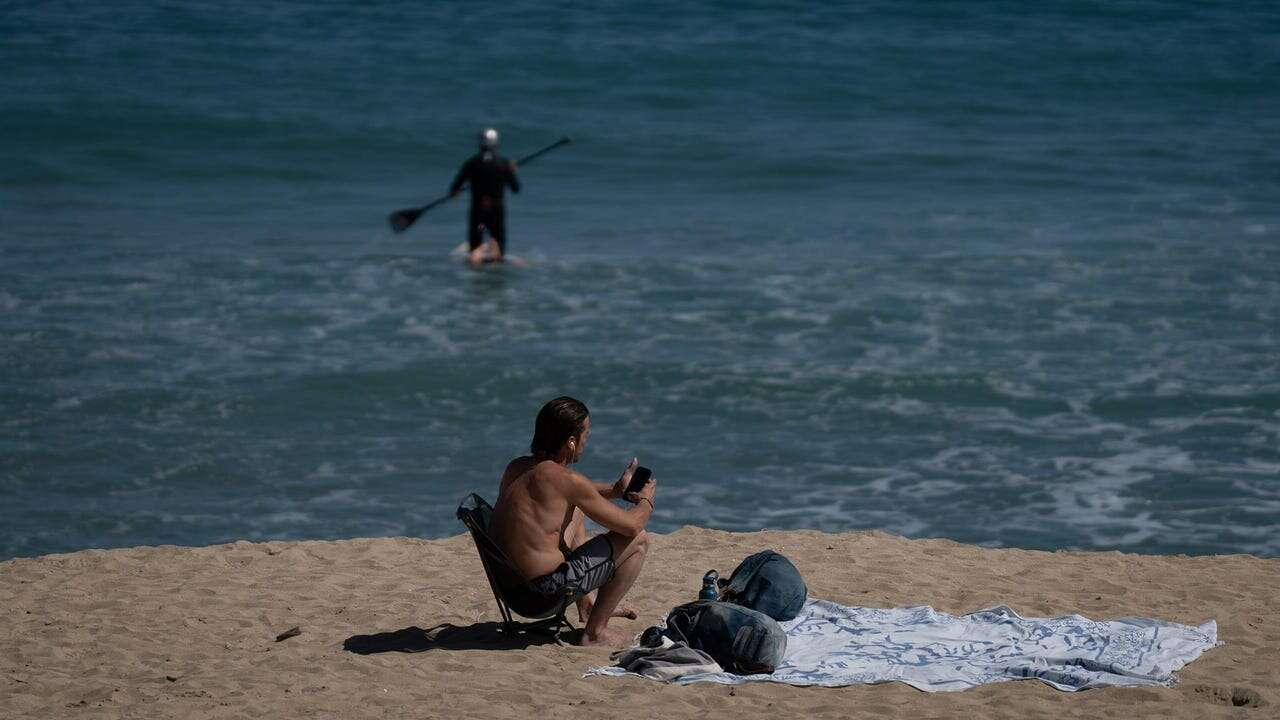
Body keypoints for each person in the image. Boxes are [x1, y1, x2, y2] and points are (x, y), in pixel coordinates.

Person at [490, 396, 656, 646]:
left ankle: (587, 607)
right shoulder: (566, 479)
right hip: (543, 594)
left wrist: (614, 490)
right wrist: (646, 501)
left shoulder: (517, 468)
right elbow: (631, 525)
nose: (586, 442)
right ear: (570, 442)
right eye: (585, 435)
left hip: (509, 587)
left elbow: (569, 494)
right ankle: (595, 633)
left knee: (577, 509)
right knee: (639, 540)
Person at [450, 128, 520, 266]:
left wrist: (456, 192)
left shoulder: (471, 163)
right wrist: (511, 172)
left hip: (478, 210)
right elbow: (515, 189)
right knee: (498, 247)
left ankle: (475, 274)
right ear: (496, 143)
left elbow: (454, 189)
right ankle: (495, 272)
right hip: (496, 210)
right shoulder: (504, 163)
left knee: (475, 246)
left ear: (480, 143)